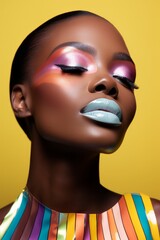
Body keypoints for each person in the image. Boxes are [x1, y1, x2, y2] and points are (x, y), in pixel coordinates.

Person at [0, 10, 160, 239]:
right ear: (22, 100)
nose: (109, 82)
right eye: (73, 67)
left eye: (125, 78)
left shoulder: (153, 223)